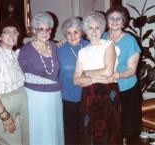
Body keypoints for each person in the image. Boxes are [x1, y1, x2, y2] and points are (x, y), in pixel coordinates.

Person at [73, 12, 121, 145]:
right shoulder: (82, 52)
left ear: (102, 29)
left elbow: (108, 71)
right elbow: (76, 80)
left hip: (107, 94)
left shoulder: (108, 45)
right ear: (86, 31)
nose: (94, 31)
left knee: (108, 133)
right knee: (88, 132)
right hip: (88, 96)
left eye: (97, 27)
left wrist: (86, 73)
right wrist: (95, 79)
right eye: (90, 28)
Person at [18, 12, 64, 145]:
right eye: (40, 29)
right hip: (35, 97)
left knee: (53, 130)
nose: (45, 32)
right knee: (39, 131)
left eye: (48, 29)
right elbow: (19, 76)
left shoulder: (55, 46)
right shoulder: (25, 50)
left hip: (54, 96)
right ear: (33, 30)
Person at [102, 6, 142, 145]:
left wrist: (115, 75)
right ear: (106, 21)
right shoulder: (101, 37)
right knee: (107, 126)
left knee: (125, 128)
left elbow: (131, 70)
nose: (114, 21)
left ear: (124, 22)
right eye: (111, 18)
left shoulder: (130, 40)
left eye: (118, 18)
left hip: (126, 90)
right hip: (105, 88)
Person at [0, 20, 29, 145]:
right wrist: (4, 115)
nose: (12, 35)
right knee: (8, 141)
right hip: (3, 105)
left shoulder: (14, 54)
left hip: (20, 101)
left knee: (23, 140)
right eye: (7, 32)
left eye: (15, 32)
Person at [57, 17, 89, 145]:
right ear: (65, 34)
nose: (72, 36)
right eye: (68, 33)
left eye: (75, 32)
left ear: (82, 32)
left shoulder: (90, 45)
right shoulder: (59, 48)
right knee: (70, 132)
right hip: (67, 96)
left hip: (87, 94)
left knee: (86, 129)